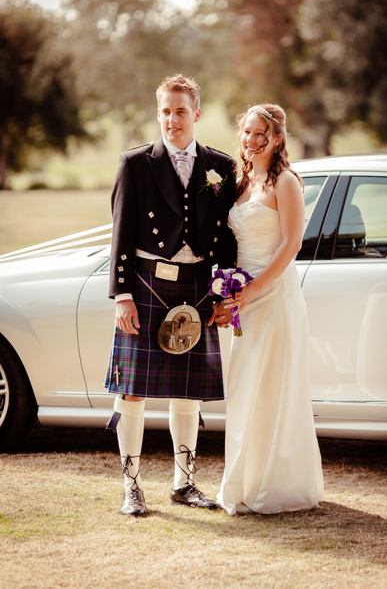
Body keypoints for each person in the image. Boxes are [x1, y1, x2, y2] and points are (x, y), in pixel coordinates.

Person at [104, 74, 237, 517]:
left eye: (181, 111)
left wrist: (225, 291)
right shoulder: (135, 163)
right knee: (133, 390)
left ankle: (185, 483)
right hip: (145, 283)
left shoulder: (220, 166)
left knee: (187, 392)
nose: (172, 119)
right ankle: (132, 485)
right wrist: (121, 293)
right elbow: (120, 232)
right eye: (165, 110)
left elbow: (226, 241)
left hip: (197, 286)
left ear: (196, 113)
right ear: (157, 112)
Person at [217, 103, 324, 515]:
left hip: (274, 297)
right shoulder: (242, 181)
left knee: (275, 388)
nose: (252, 140)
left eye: (261, 133)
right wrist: (228, 294)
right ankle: (244, 482)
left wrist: (251, 291)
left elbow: (291, 244)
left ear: (277, 138)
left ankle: (276, 487)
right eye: (246, 131)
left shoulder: (286, 182)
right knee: (246, 390)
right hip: (243, 300)